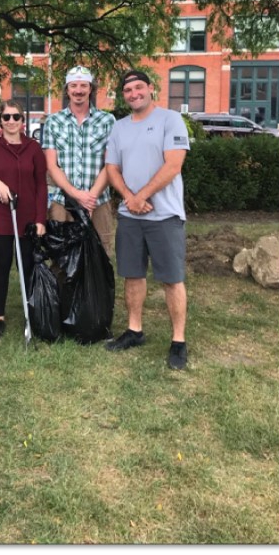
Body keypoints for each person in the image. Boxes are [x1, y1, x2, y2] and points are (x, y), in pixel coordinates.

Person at [104, 69, 191, 370]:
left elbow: (174, 164)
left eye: (139, 87)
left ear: (151, 89)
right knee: (132, 275)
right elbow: (112, 167)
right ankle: (134, 330)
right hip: (130, 216)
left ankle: (178, 341)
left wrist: (142, 195)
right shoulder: (119, 127)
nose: (134, 94)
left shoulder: (170, 119)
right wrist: (130, 196)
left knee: (171, 279)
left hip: (164, 215)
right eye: (128, 90)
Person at [0, 100, 47, 338]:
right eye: (6, 117)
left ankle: (30, 312)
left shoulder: (34, 148)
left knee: (26, 266)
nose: (12, 121)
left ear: (23, 122)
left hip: (26, 217)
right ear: (0, 122)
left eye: (16, 117)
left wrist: (40, 219)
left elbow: (41, 185)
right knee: (2, 265)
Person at [42, 65, 115, 256]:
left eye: (84, 85)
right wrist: (75, 194)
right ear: (67, 89)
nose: (79, 91)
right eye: (73, 86)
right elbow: (51, 165)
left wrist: (89, 199)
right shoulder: (53, 122)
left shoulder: (107, 121)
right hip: (62, 202)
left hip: (98, 202)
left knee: (99, 257)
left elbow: (111, 164)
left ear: (91, 88)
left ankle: (95, 288)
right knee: (62, 258)